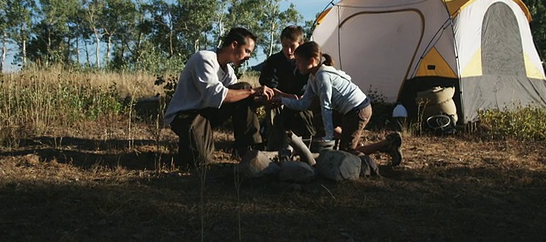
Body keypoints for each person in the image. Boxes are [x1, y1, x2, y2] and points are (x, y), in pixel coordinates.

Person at [275, 41, 403, 166]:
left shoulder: (322, 76)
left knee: (346, 152)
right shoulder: (313, 77)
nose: (297, 65)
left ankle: (387, 144)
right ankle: (352, 140)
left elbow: (326, 107)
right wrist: (281, 100)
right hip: (348, 110)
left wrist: (329, 135)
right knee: (318, 121)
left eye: (299, 61)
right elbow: (304, 103)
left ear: (312, 60)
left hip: (358, 110)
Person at [163, 27, 275, 168]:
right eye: (247, 51)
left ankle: (249, 148)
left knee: (243, 92)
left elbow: (239, 98)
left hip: (206, 113)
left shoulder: (228, 70)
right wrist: (252, 91)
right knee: (200, 162)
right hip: (185, 115)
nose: (248, 57)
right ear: (234, 45)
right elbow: (214, 96)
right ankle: (189, 146)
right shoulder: (204, 58)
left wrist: (261, 100)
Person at [259, 26, 315, 150]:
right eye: (285, 46)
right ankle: (275, 145)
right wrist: (287, 97)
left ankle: (307, 144)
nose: (288, 50)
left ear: (301, 44)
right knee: (272, 101)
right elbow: (268, 86)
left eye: (292, 46)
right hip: (279, 100)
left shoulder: (307, 63)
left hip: (302, 102)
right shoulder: (273, 61)